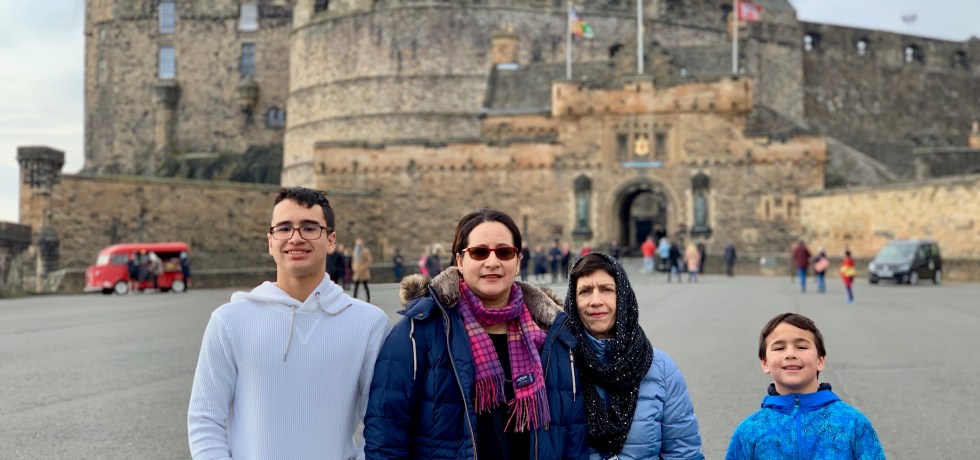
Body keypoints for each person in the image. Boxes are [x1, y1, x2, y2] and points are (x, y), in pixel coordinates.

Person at [364, 208, 588, 459]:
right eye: (479, 252)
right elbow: (386, 433)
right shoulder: (418, 331)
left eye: (504, 252)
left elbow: (573, 436)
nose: (492, 262)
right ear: (460, 261)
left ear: (518, 262)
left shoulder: (552, 335)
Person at [188, 186, 390, 460]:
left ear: (331, 240)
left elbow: (381, 425)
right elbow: (205, 419)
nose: (295, 238)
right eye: (283, 229)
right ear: (270, 241)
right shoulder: (229, 321)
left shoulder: (370, 324)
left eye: (309, 228)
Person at [564, 252, 704, 459]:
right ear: (573, 301)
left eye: (606, 289)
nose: (595, 301)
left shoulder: (662, 369)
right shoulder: (558, 365)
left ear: (623, 297)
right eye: (585, 291)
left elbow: (682, 453)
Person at [725, 313, 885, 459]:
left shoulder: (852, 423)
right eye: (779, 348)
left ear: (820, 361)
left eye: (801, 347)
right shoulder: (750, 431)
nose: (790, 354)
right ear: (765, 363)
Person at [352, 237, 372, 302]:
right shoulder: (354, 251)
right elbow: (353, 261)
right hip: (357, 271)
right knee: (356, 286)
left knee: (365, 286)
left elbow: (369, 261)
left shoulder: (365, 251)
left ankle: (368, 299)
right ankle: (354, 299)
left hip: (363, 271)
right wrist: (354, 267)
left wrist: (364, 267)